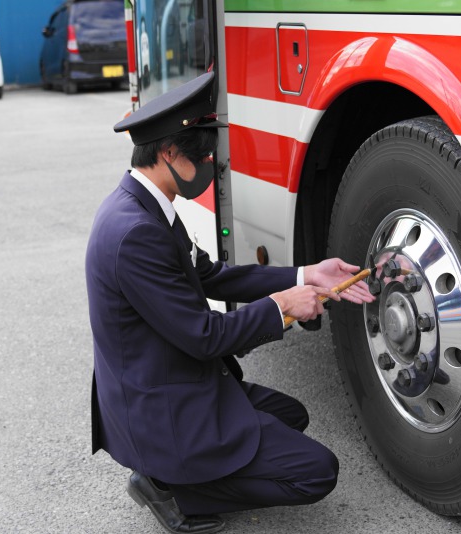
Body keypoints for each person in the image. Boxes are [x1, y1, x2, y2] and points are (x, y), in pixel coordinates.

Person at [85, 72, 373, 534]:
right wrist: (284, 306)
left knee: (292, 416)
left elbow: (213, 276)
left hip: (167, 384)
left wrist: (306, 274)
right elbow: (204, 337)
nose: (209, 164)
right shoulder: (136, 233)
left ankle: (179, 473)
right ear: (167, 154)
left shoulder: (144, 205)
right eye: (200, 156)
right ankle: (168, 488)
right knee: (318, 472)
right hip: (161, 410)